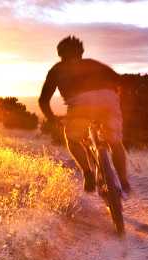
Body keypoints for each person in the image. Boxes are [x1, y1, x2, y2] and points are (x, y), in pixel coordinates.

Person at [39, 35, 132, 195]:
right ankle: (124, 181)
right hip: (108, 99)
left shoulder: (56, 70)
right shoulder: (92, 63)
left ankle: (87, 174)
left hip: (81, 104)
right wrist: (117, 99)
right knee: (115, 143)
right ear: (81, 52)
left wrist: (52, 119)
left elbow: (43, 100)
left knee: (73, 140)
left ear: (60, 54)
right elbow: (119, 80)